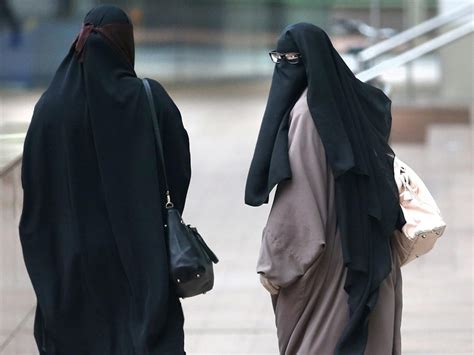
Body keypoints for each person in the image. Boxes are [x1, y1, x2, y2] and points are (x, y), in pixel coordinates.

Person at [19, 5, 191, 355]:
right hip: (143, 271)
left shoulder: (49, 109)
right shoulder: (150, 100)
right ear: (125, 44)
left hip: (70, 278)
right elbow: (178, 174)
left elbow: (35, 200)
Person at [245, 23, 404, 355]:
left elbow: (300, 216)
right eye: (279, 58)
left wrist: (274, 265)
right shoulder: (355, 104)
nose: (284, 67)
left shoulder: (306, 116)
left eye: (290, 59)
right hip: (372, 258)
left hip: (334, 271)